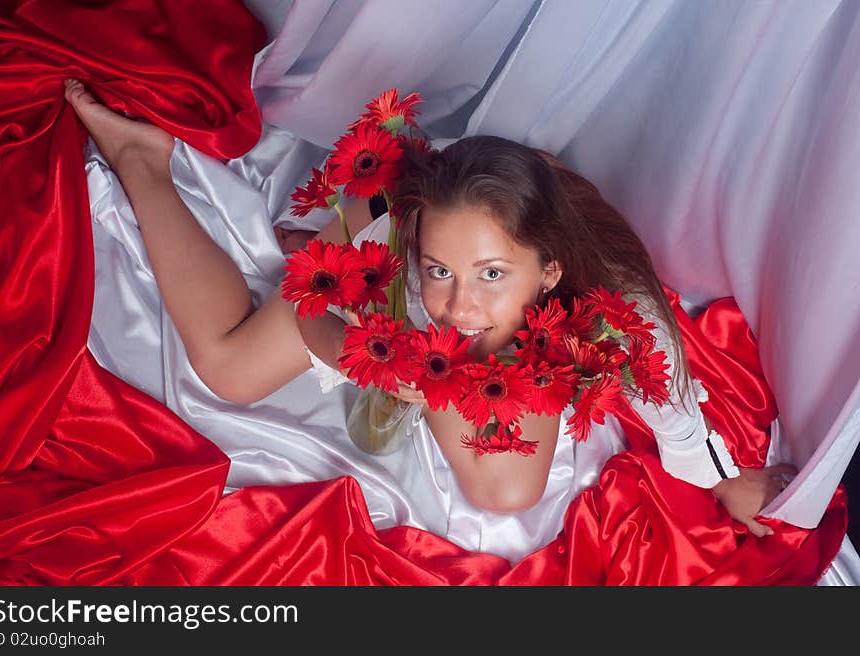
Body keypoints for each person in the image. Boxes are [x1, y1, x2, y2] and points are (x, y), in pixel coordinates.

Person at [62, 78, 796, 558]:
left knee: (505, 490)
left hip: (505, 263)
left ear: (549, 273)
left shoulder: (610, 306)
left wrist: (720, 480)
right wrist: (367, 346)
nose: (460, 303)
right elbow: (319, 313)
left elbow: (677, 417)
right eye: (443, 272)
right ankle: (141, 162)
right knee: (227, 371)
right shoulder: (402, 233)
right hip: (381, 230)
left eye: (491, 277)